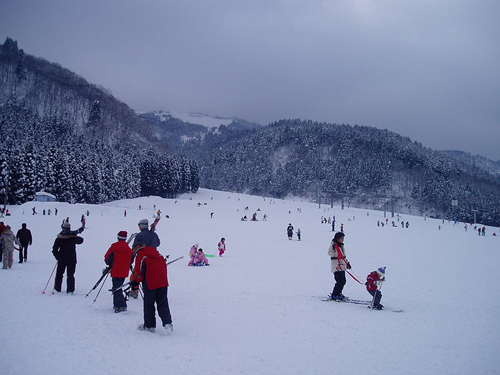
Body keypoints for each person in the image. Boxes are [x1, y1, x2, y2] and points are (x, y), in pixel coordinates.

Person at [131, 246, 173, 333]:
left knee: (149, 304)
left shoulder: (141, 256)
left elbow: (138, 271)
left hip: (150, 284)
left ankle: (149, 326)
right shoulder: (159, 256)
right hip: (163, 283)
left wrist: (135, 281)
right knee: (163, 303)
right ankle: (167, 323)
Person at [104, 231, 133, 313]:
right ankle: (119, 304)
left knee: (116, 288)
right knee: (118, 286)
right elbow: (132, 258)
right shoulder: (128, 249)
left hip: (115, 270)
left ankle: (119, 305)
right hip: (124, 271)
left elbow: (107, 259)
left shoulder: (113, 247)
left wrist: (110, 263)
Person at [52, 222, 84, 293]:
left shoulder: (59, 238)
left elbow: (54, 249)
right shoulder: (72, 237)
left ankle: (57, 288)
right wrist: (74, 235)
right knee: (70, 275)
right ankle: (70, 289)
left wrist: (57, 257)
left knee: (59, 274)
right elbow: (81, 240)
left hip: (62, 259)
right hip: (72, 259)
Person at [327, 232, 351, 301]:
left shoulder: (341, 245)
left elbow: (343, 256)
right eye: (341, 238)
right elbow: (329, 253)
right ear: (337, 238)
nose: (343, 239)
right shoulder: (333, 245)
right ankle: (334, 294)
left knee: (343, 281)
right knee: (339, 281)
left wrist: (347, 263)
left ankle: (338, 293)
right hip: (336, 266)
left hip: (342, 265)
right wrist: (336, 253)